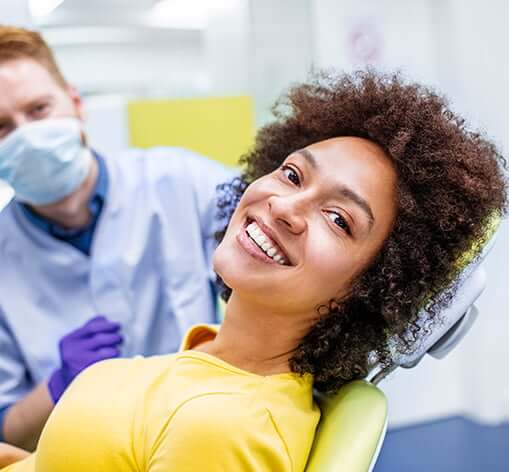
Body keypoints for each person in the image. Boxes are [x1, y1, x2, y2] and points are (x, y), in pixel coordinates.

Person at [0, 70, 506, 471]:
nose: (284, 207)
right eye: (291, 173)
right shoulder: (208, 360)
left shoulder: (224, 428)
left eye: (338, 219)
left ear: (374, 288)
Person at [0, 25, 234, 450]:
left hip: (204, 439)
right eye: (1, 127)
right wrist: (60, 384)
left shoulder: (182, 181)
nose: (26, 137)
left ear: (74, 104)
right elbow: (5, 432)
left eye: (38, 110)